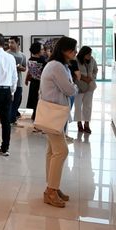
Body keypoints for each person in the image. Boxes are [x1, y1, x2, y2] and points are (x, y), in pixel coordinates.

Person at [39, 36, 79, 208]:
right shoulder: (57, 66)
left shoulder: (58, 65)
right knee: (61, 151)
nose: (75, 52)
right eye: (73, 49)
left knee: (52, 151)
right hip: (53, 113)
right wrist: (75, 87)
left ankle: (52, 187)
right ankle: (51, 190)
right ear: (64, 50)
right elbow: (70, 89)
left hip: (54, 114)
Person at [74, 46, 98, 134]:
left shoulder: (92, 60)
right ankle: (79, 123)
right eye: (88, 54)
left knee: (88, 105)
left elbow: (96, 69)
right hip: (79, 86)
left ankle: (87, 123)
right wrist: (84, 78)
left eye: (90, 54)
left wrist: (92, 78)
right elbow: (74, 72)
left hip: (90, 86)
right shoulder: (76, 60)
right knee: (78, 105)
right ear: (83, 53)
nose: (90, 55)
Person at [7, 37, 27, 126]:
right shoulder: (6, 54)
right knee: (9, 102)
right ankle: (9, 120)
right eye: (9, 43)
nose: (10, 44)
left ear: (17, 43)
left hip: (18, 82)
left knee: (17, 101)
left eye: (12, 42)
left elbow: (24, 68)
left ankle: (12, 119)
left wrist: (20, 68)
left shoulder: (22, 55)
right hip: (8, 82)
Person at [25, 42, 46, 123]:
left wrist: (26, 79)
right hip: (41, 83)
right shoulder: (42, 60)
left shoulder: (30, 60)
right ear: (37, 50)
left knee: (34, 101)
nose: (43, 51)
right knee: (39, 101)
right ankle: (38, 119)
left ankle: (34, 116)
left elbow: (29, 72)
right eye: (42, 49)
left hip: (33, 82)